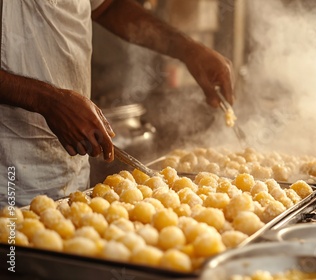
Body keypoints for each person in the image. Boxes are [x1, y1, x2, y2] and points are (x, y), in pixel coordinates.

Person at [0, 0, 234, 207]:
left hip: (70, 176)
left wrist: (188, 50)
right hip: (8, 178)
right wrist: (46, 100)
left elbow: (108, 6)